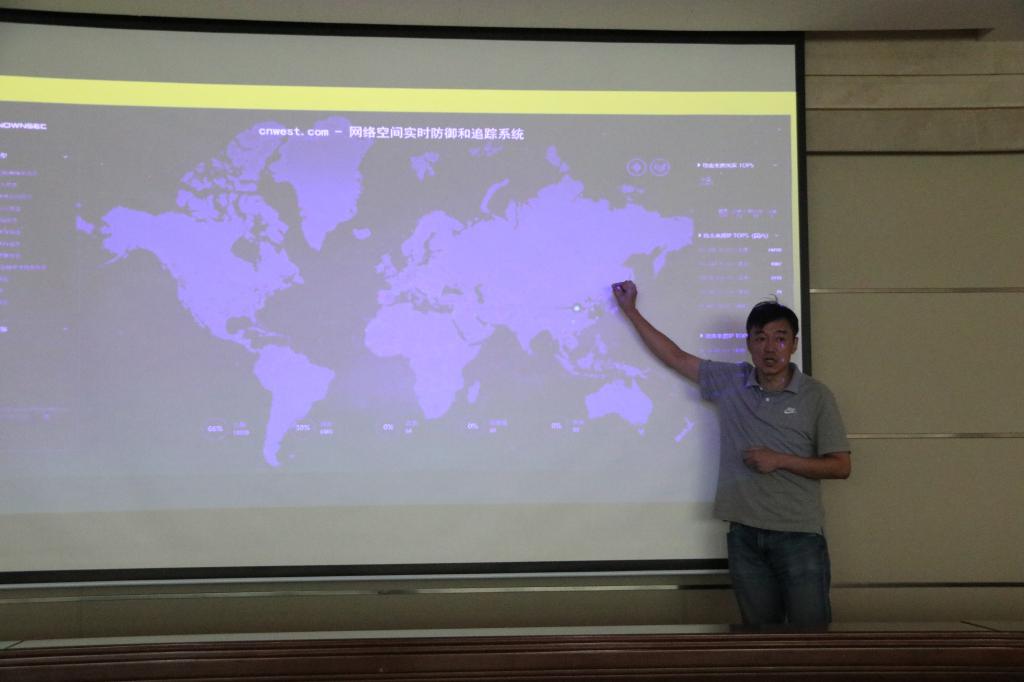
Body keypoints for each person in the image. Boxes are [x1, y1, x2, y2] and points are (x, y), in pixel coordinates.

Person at [611, 280, 851, 627]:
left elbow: (841, 466)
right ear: (749, 344)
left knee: (810, 638)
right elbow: (675, 357)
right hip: (745, 536)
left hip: (799, 536)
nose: (770, 348)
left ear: (794, 344)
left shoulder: (816, 396)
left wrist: (780, 460)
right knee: (758, 639)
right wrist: (631, 311)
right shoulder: (731, 381)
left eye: (780, 338)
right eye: (760, 338)